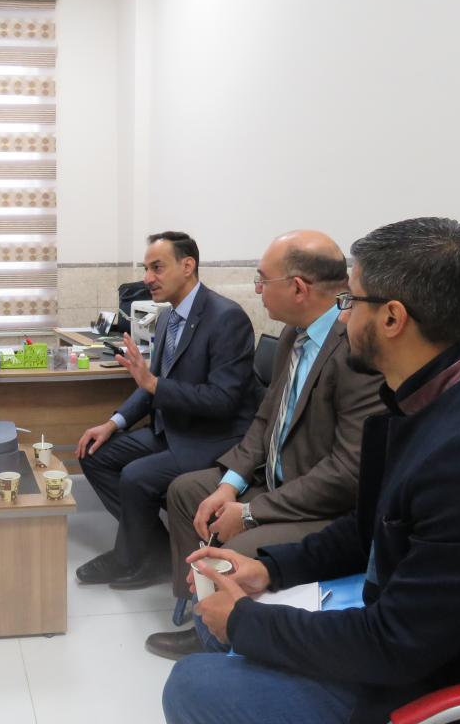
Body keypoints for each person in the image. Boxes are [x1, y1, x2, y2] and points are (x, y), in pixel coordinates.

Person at [162, 217, 460, 724]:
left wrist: (246, 623)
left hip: (427, 680)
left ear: (392, 318)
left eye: (350, 301)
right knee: (218, 614)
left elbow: (395, 644)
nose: (342, 315)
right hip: (396, 625)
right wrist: (270, 570)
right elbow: (369, 528)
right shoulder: (423, 397)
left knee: (194, 683)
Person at [146, 230, 384, 659]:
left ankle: (224, 637)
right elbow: (265, 420)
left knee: (235, 551)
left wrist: (250, 513)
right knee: (186, 491)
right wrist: (230, 485)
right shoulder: (294, 334)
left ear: (298, 288)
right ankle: (202, 610)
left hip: (320, 506)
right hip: (272, 479)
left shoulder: (355, 351)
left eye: (262, 280)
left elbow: (347, 472)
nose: (257, 291)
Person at [74, 232, 259, 589]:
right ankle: (152, 550)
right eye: (146, 269)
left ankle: (129, 556)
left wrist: (154, 385)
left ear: (187, 266)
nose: (147, 278)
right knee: (93, 453)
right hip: (173, 430)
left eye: (156, 268)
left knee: (136, 476)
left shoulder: (226, 318)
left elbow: (223, 400)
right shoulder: (168, 317)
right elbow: (151, 384)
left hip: (211, 438)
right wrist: (112, 423)